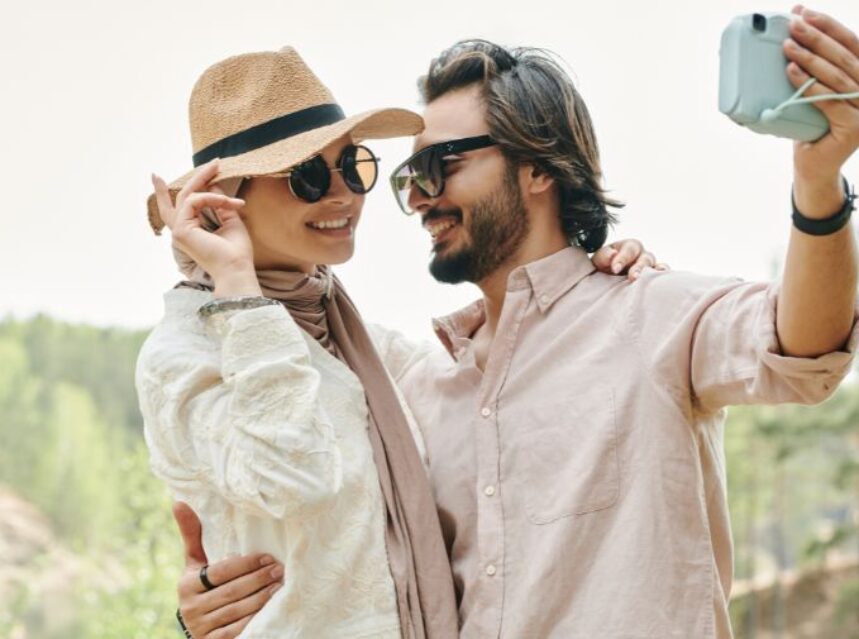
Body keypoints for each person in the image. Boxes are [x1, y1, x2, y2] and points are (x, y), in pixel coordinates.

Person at [177, 6, 859, 638]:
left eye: (440, 165)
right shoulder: (415, 389)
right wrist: (207, 605)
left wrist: (818, 184)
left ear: (537, 164)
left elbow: (802, 343)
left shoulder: (651, 312)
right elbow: (342, 553)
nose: (419, 198)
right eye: (409, 176)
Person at [137, 46, 658, 639]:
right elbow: (292, 477)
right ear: (225, 197)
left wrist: (593, 275)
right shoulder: (184, 353)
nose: (344, 196)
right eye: (308, 176)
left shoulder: (356, 343)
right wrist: (237, 285)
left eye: (354, 166)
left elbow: (498, 373)